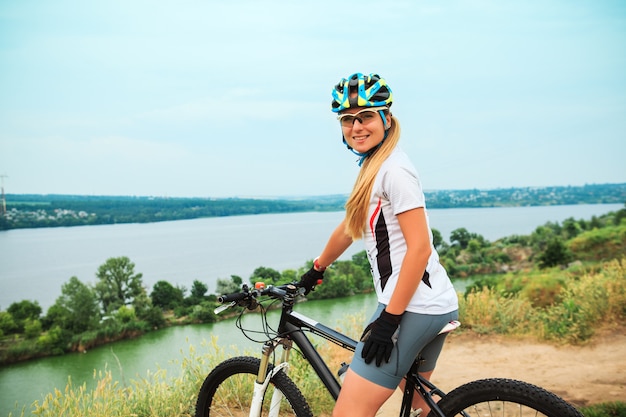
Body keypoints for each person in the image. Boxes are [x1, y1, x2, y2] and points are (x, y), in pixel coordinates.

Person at [298, 73, 459, 417]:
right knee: (419, 407)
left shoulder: (394, 171)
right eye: (347, 120)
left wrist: (389, 321)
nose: (356, 126)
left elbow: (419, 248)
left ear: (386, 118)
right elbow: (349, 226)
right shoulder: (376, 166)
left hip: (410, 307)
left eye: (366, 116)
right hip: (431, 303)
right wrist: (316, 269)